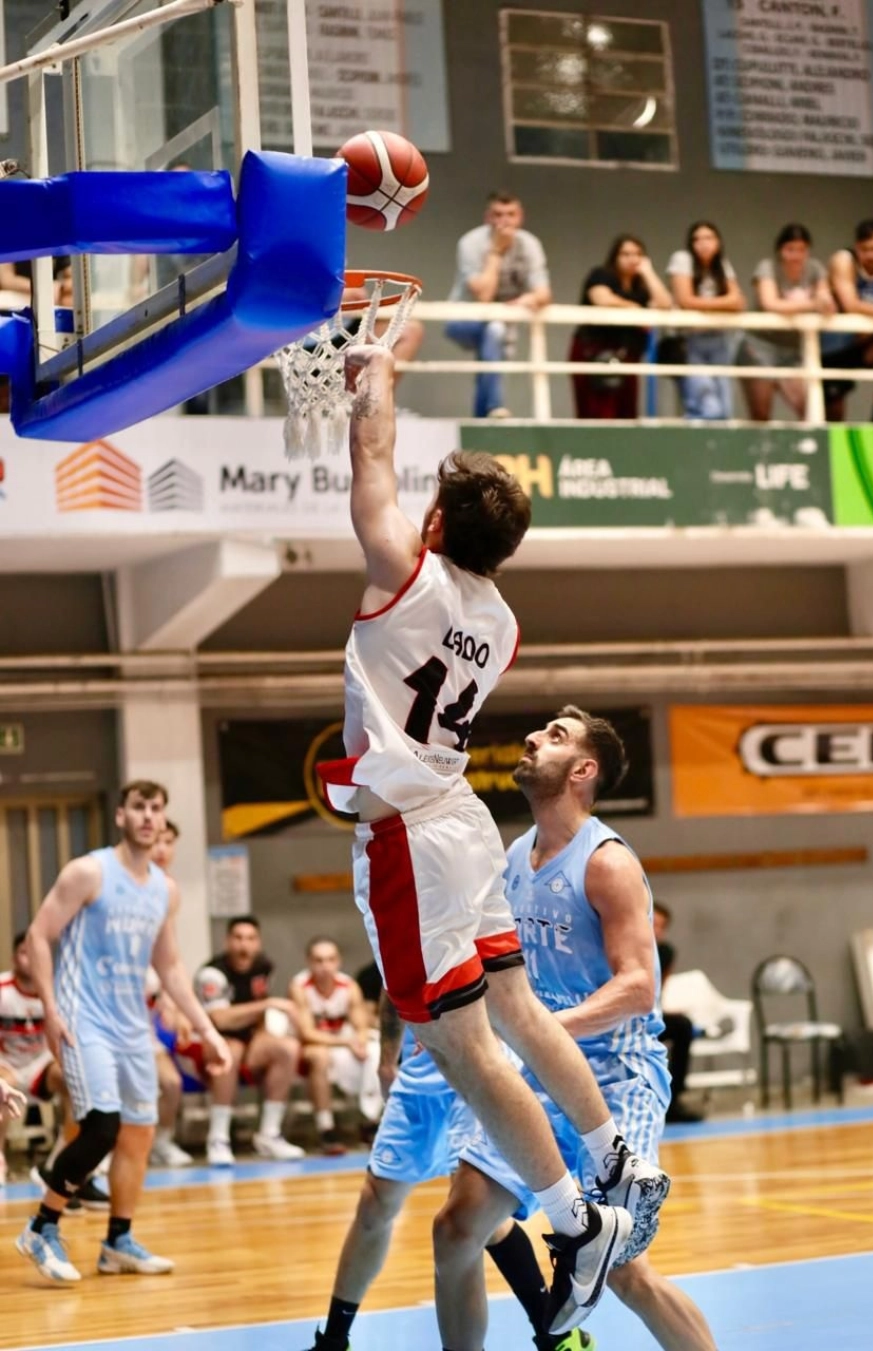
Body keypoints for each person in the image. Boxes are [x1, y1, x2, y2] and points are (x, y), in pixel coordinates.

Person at [316, 344, 668, 1337]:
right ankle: (612, 1162)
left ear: (435, 524)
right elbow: (391, 482)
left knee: (466, 1049)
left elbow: (370, 456)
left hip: (410, 836)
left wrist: (376, 376)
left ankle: (577, 1220)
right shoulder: (500, 621)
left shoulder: (404, 572)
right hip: (462, 816)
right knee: (514, 1009)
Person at [433, 709, 717, 1351]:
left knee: (623, 1271)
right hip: (535, 1074)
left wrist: (542, 1031)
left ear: (584, 770)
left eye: (556, 736)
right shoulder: (514, 857)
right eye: (540, 731)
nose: (534, 738)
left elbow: (638, 987)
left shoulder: (607, 862)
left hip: (615, 1077)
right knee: (456, 1230)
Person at [15, 779, 232, 1283]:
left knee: (138, 1135)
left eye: (156, 808)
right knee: (102, 1127)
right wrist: (50, 1009)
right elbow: (40, 935)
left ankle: (117, 1241)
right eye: (139, 807)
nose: (148, 816)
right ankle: (42, 1227)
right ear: (121, 815)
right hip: (83, 1018)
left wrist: (208, 1030)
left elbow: (170, 966)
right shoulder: (88, 872)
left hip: (132, 1026)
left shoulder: (164, 890)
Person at [303, 992, 596, 1351]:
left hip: (477, 1060)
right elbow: (391, 984)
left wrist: (497, 1033)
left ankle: (555, 1335)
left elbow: (508, 981)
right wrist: (387, 1060)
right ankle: (334, 1341)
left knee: (472, 1216)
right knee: (375, 1204)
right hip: (420, 1067)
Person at [1, 932, 110, 1208]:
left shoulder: (60, 989)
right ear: (14, 958)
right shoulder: (3, 990)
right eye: (24, 953)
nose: (30, 959)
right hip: (7, 1062)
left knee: (79, 1084)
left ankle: (63, 1168)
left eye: (35, 953)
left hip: (41, 1063)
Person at [194, 915, 305, 1165]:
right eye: (238, 938)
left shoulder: (264, 966)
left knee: (287, 1048)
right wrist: (267, 1004)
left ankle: (269, 1134)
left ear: (258, 942)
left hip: (250, 1038)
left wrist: (265, 1031)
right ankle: (218, 1137)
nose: (244, 945)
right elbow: (220, 1019)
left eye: (251, 939)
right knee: (229, 1052)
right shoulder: (212, 973)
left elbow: (259, 1010)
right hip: (213, 1040)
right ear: (227, 941)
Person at [445, 191, 551, 418]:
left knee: (492, 344)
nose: (504, 221)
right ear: (487, 217)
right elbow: (483, 296)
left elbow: (544, 293)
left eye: (510, 214)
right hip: (462, 319)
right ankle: (494, 406)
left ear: (520, 217)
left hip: (501, 322)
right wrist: (496, 251)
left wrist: (525, 299)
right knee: (494, 330)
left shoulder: (529, 244)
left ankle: (482, 416)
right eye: (498, 214)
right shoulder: (471, 242)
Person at [290, 936, 382, 1155]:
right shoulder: (299, 986)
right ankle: (326, 1128)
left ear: (338, 961)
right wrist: (347, 1042)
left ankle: (371, 1119)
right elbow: (307, 1033)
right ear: (309, 962)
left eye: (330, 960)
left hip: (340, 1043)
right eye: (319, 960)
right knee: (319, 1056)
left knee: (374, 1051)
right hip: (310, 1045)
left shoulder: (349, 986)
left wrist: (359, 1042)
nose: (325, 966)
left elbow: (361, 1025)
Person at [738, 223, 835, 422]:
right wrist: (812, 304)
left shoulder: (815, 269)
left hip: (792, 350)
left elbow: (826, 302)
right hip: (760, 347)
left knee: (808, 408)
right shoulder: (767, 267)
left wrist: (824, 302)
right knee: (761, 415)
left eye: (801, 250)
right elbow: (770, 303)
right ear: (780, 250)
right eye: (790, 249)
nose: (796, 256)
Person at [570, 235, 671, 419]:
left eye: (637, 254)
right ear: (615, 257)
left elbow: (665, 304)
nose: (632, 259)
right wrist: (634, 308)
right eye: (626, 254)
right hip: (594, 352)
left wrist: (648, 272)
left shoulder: (641, 287)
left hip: (628, 355)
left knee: (626, 413)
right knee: (598, 412)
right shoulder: (601, 274)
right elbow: (601, 298)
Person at [146, 818, 193, 1167]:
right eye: (157, 841)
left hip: (145, 1003)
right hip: (111, 1002)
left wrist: (178, 1005)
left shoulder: (168, 888)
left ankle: (161, 1142)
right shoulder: (119, 880)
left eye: (169, 842)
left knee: (171, 1083)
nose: (163, 850)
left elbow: (171, 956)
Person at [667, 221, 745, 420]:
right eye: (697, 239)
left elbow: (738, 301)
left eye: (709, 238)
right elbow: (685, 300)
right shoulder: (682, 259)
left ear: (718, 242)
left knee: (725, 410)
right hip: (690, 340)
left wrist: (703, 304)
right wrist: (722, 304)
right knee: (707, 406)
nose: (703, 243)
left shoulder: (721, 264)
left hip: (720, 339)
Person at [824, 219, 873, 422]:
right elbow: (851, 305)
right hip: (835, 349)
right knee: (833, 414)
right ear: (857, 247)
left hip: (865, 347)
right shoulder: (843, 261)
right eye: (865, 250)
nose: (871, 255)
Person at [652, 903, 703, 1126]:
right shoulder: (622, 944)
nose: (655, 929)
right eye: (652, 923)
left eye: (660, 926)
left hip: (647, 1015)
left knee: (683, 1026)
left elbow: (656, 990)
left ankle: (674, 1101)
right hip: (621, 1019)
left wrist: (660, 1011)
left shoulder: (665, 952)